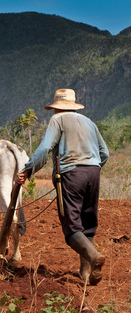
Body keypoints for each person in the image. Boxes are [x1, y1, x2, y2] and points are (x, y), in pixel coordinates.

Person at [16, 88, 109, 285]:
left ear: (56, 108)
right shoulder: (89, 122)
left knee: (71, 226)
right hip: (94, 172)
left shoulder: (57, 120)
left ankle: (94, 257)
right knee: (88, 222)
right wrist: (91, 168)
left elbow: (44, 149)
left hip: (70, 175)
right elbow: (105, 153)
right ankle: (85, 273)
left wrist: (28, 170)